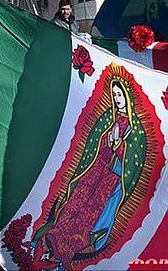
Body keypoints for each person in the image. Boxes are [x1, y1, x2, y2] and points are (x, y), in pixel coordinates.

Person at [31, 77, 146, 269]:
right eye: (115, 94)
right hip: (97, 168)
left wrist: (120, 147)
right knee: (76, 202)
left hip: (112, 179)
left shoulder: (138, 131)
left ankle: (65, 251)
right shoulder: (109, 116)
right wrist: (106, 140)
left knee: (90, 214)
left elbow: (134, 162)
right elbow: (93, 142)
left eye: (120, 95)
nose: (117, 99)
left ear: (127, 97)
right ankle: (51, 238)